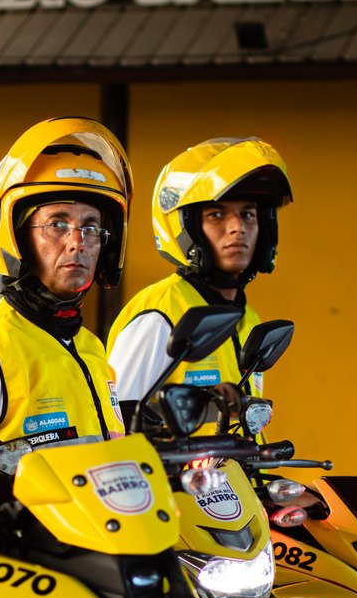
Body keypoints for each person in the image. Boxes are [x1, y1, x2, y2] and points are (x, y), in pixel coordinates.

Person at [0, 118, 131, 473]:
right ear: (18, 239)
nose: (77, 242)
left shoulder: (90, 348)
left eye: (90, 227)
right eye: (57, 224)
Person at [106, 137, 293, 423]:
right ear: (187, 228)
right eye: (217, 215)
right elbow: (118, 422)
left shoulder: (249, 320)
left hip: (232, 470)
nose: (237, 228)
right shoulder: (161, 313)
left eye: (248, 215)